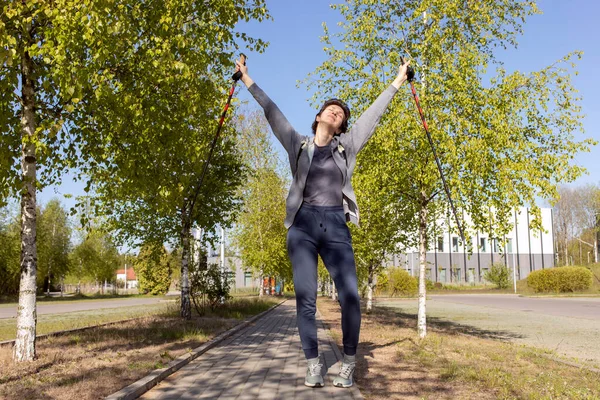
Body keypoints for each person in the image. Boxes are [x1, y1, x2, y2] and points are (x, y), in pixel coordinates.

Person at [236, 57, 410, 388]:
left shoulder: (346, 147)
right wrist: (247, 80)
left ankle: (347, 362)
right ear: (318, 117)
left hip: (335, 223)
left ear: (343, 126)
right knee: (306, 297)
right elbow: (273, 113)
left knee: (350, 296)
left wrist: (398, 80)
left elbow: (373, 115)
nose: (335, 113)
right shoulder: (298, 144)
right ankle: (313, 363)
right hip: (302, 225)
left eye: (341, 113)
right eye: (331, 109)